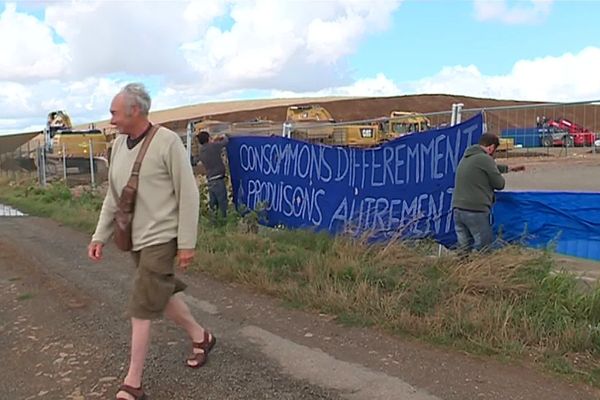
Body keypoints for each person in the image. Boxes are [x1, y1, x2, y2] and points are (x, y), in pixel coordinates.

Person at [87, 83, 215, 400]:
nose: (111, 119)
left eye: (115, 112)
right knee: (162, 293)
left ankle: (133, 383)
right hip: (135, 239)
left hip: (162, 237)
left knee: (142, 305)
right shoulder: (117, 145)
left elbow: (189, 194)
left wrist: (186, 242)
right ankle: (202, 337)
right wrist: (99, 235)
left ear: (135, 111)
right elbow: (114, 197)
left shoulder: (168, 142)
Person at [451, 133, 525, 254]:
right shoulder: (485, 159)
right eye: (494, 151)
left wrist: (509, 168)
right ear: (491, 148)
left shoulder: (467, 157)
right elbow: (499, 184)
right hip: (475, 210)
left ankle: (462, 271)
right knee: (483, 249)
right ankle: (481, 271)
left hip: (458, 209)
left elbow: (487, 167)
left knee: (464, 251)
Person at [195, 131, 229, 219]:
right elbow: (226, 141)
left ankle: (214, 224)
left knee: (213, 206)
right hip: (218, 180)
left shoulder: (201, 151)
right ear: (208, 138)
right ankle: (224, 224)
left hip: (210, 180)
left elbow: (212, 145)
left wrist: (214, 140)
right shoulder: (213, 146)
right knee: (223, 206)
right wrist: (223, 136)